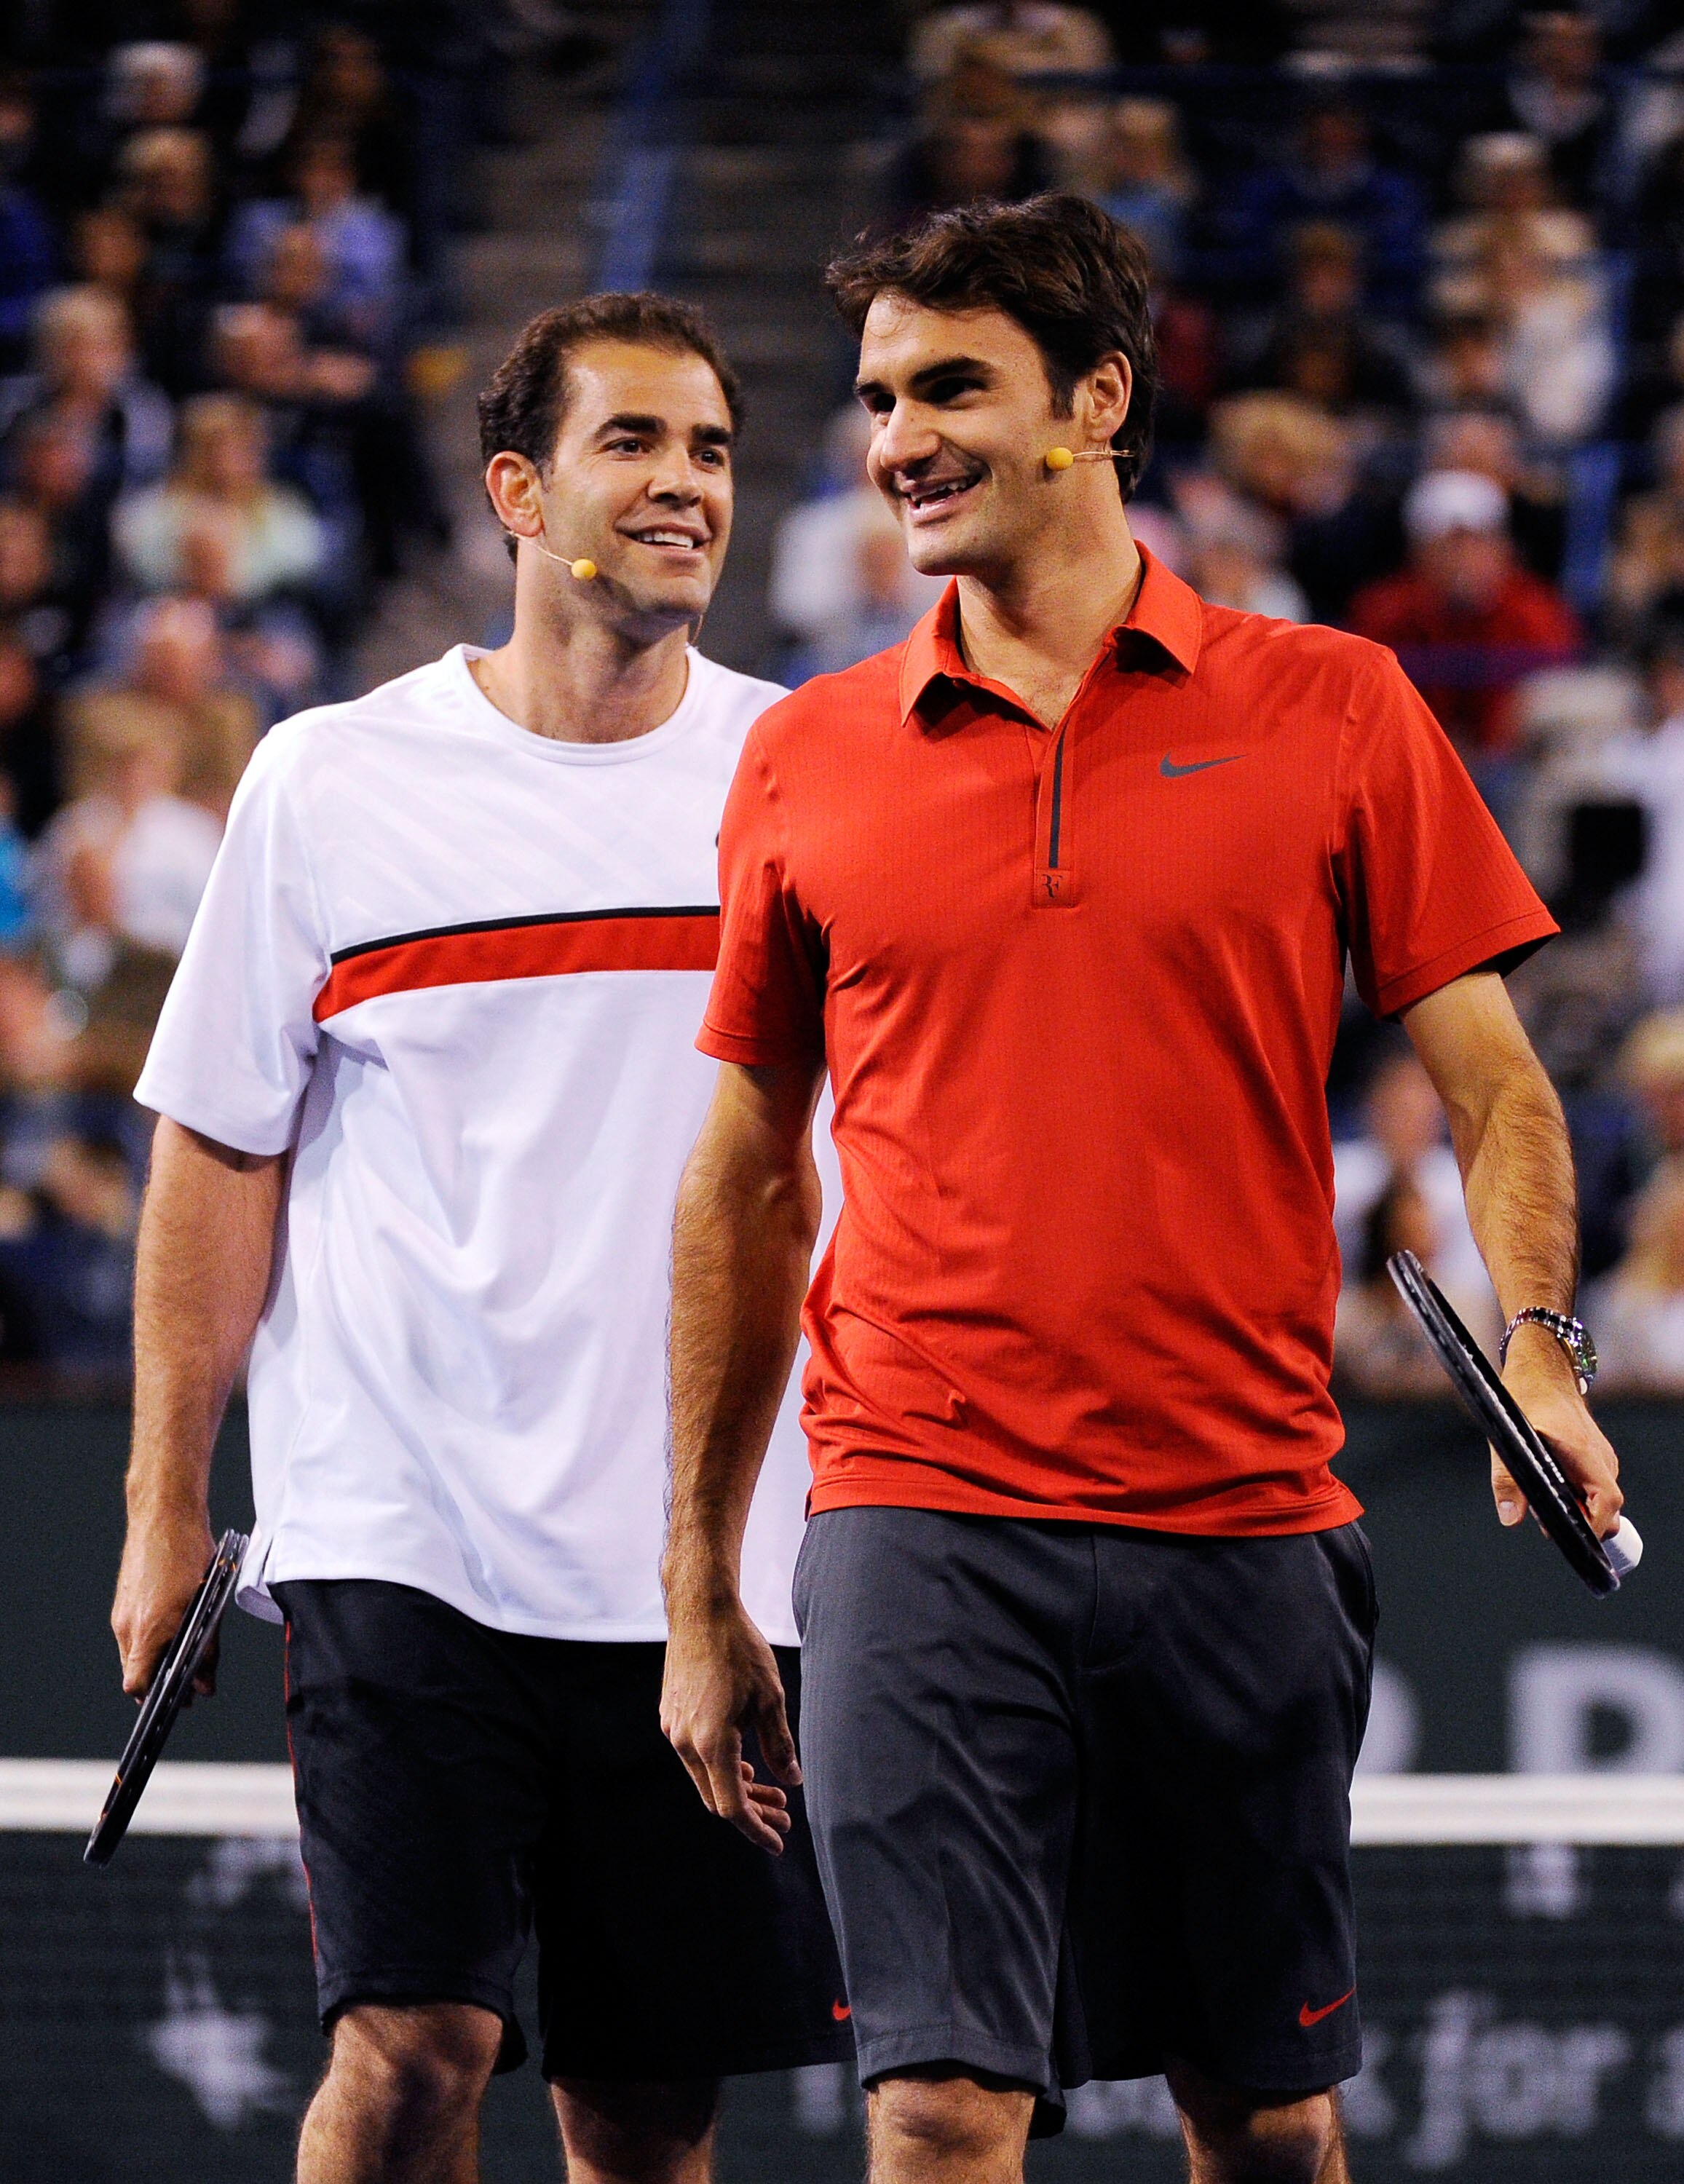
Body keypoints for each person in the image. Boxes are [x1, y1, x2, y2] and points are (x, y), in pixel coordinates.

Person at [657, 194, 1623, 2184]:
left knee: (1260, 2123)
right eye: (873, 396)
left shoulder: (1339, 703)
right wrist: (700, 1576)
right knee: (932, 2111)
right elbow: (745, 1183)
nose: (894, 440)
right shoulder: (803, 758)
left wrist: (1537, 1352)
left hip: (1239, 1513)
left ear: (1097, 402)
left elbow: (1497, 1091)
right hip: (918, 1510)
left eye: (950, 388)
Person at [108, 293, 848, 2184]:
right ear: (518, 491)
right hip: (398, 1530)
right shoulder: (328, 779)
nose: (684, 485)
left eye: (710, 451)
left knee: (645, 2114)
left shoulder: (812, 786)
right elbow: (215, 1156)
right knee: (415, 2050)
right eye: (634, 444)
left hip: (705, 1565)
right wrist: (161, 1507)